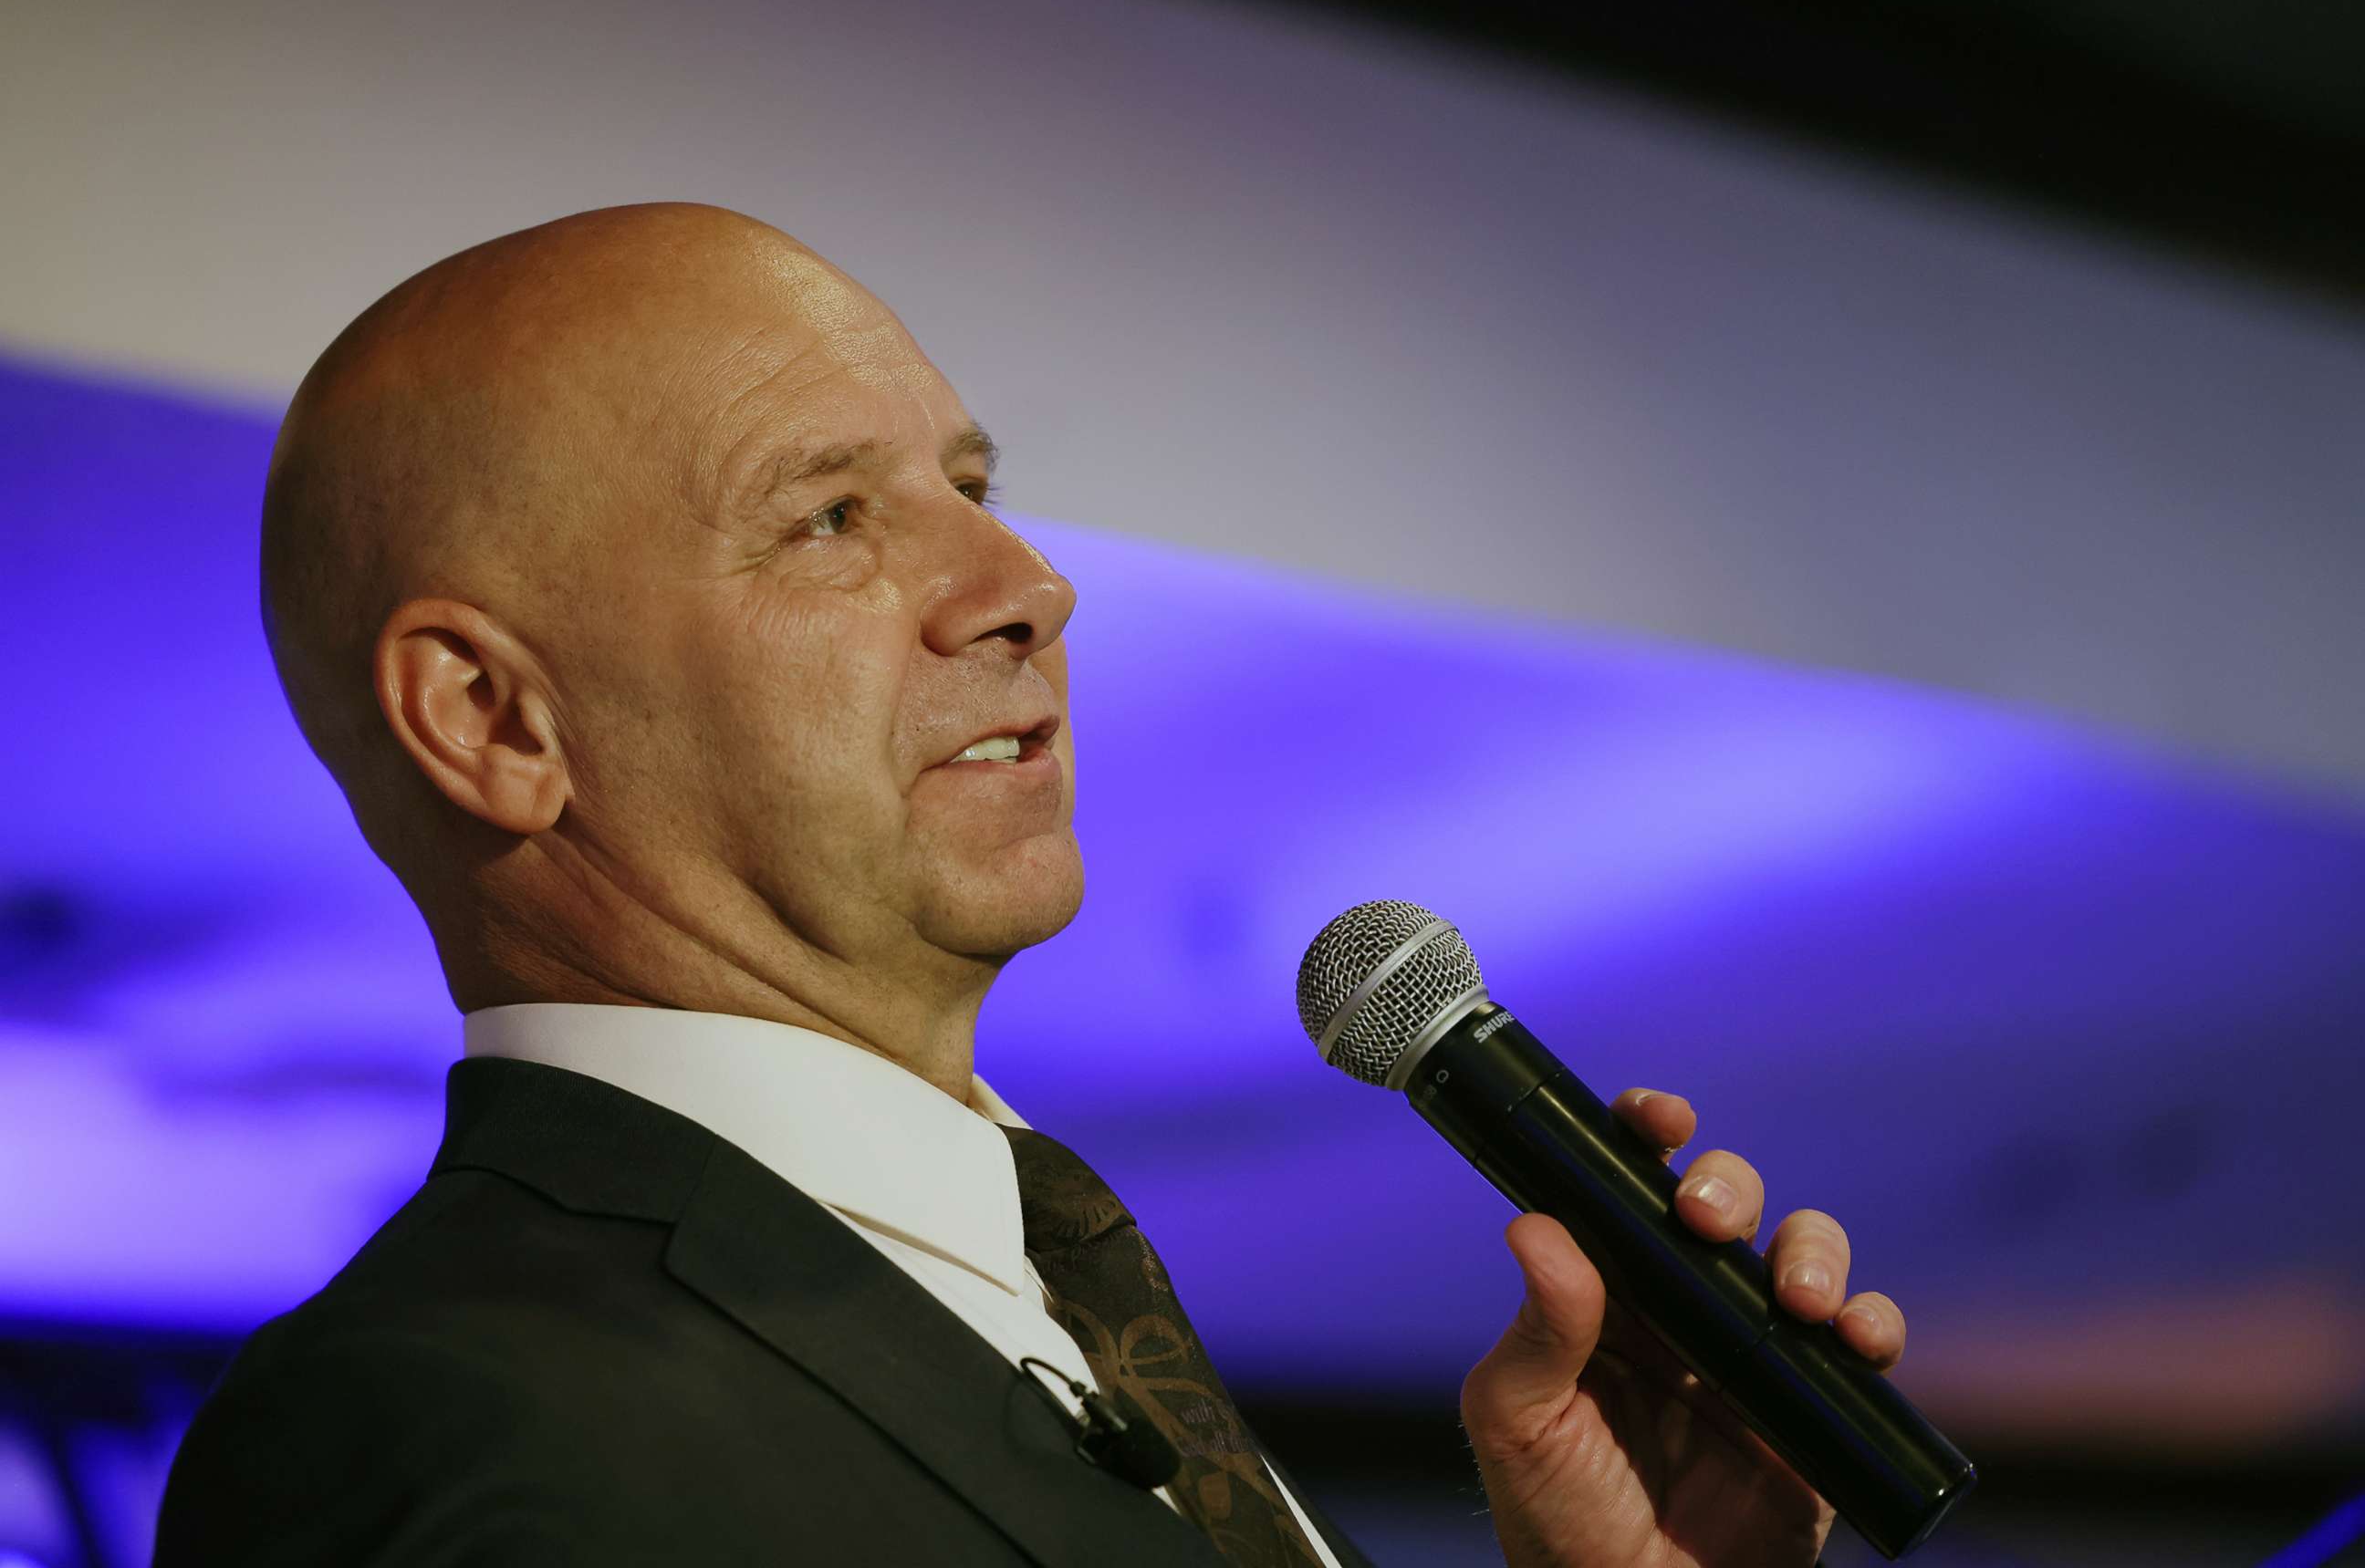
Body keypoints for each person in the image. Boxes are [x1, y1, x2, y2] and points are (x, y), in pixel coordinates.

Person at [153, 203, 1908, 1567]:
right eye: (830, 517)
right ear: (495, 718)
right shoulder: (435, 1419)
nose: (1028, 582)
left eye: (975, 484)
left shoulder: (1035, 1298)